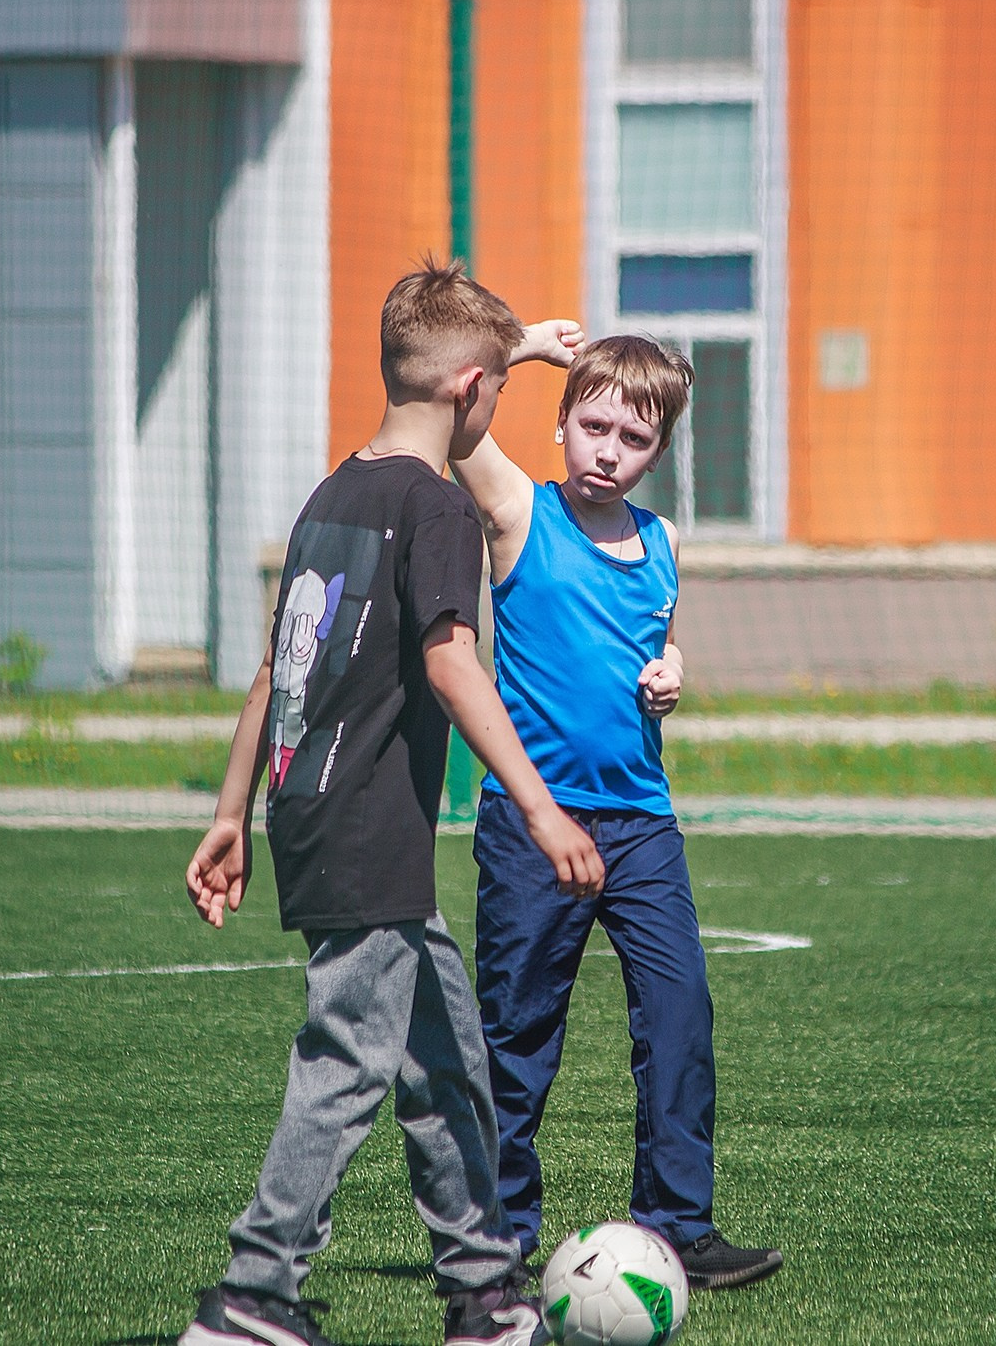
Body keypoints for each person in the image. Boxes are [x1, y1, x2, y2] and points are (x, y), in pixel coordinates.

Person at [178, 261, 607, 1346]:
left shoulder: (337, 493)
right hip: (367, 822)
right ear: (469, 393)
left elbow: (278, 667)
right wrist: (543, 809)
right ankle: (253, 1295)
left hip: (308, 811)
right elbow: (455, 667)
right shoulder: (435, 510)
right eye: (497, 388)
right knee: (345, 1064)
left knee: (447, 1055)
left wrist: (230, 812)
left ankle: (484, 1291)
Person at [449, 330, 785, 1289]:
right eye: (590, 425)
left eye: (631, 437)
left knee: (680, 1015)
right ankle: (500, 1236)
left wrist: (672, 671)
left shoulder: (666, 541)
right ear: (558, 421)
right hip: (534, 826)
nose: (606, 449)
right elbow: (455, 411)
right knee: (516, 1033)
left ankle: (680, 1223)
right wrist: (517, 348)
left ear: (658, 449)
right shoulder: (518, 512)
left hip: (642, 824)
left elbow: (663, 642)